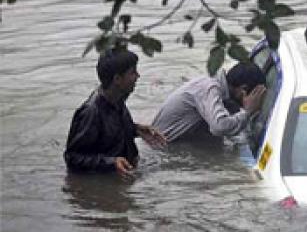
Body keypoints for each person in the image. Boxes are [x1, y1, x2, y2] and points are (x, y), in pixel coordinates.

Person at [64, 47, 166, 179]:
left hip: (123, 176)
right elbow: (72, 158)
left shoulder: (117, 98)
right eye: (132, 72)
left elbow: (110, 132)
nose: (138, 76)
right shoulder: (91, 112)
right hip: (102, 182)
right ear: (117, 79)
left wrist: (136, 129)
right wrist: (111, 163)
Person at [151, 62, 267, 144]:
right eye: (255, 96)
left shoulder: (221, 92)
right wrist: (248, 111)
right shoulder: (210, 88)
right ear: (243, 91)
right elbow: (219, 127)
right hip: (159, 148)